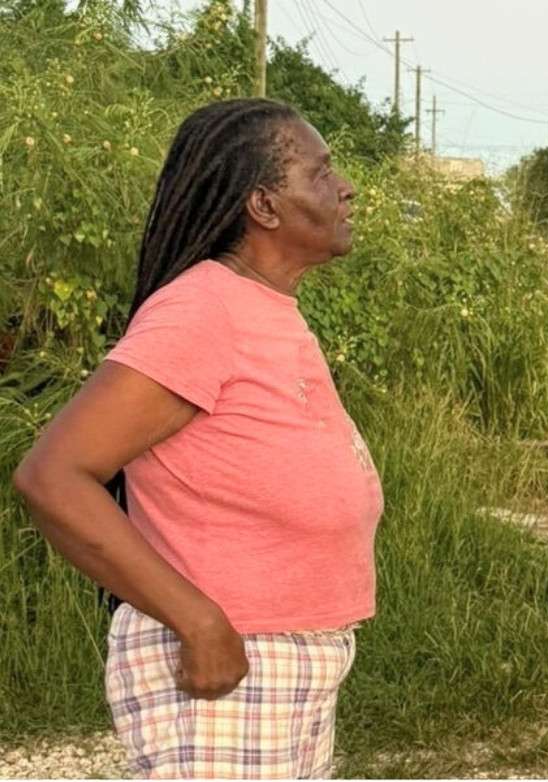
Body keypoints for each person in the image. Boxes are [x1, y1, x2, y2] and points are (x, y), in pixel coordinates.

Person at [13, 98, 382, 779]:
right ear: (264, 206)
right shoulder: (202, 310)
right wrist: (200, 623)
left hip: (289, 654)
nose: (345, 187)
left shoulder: (262, 307)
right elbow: (53, 475)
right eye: (322, 171)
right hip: (230, 661)